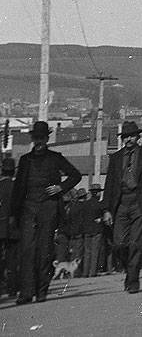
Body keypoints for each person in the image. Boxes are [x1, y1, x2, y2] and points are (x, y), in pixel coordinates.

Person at [11, 121, 81, 304]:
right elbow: (18, 188)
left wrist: (60, 187)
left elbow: (76, 175)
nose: (39, 141)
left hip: (48, 209)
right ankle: (26, 293)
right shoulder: (25, 160)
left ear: (47, 138)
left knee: (44, 251)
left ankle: (42, 291)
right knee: (27, 252)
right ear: (33, 139)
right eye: (36, 138)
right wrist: (13, 213)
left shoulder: (55, 157)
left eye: (42, 137)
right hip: (28, 209)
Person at [104, 121, 142, 294]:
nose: (129, 139)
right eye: (125, 136)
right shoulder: (116, 158)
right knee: (119, 243)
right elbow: (109, 183)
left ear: (138, 137)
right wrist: (107, 210)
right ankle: (129, 271)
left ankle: (133, 281)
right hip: (120, 203)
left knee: (135, 244)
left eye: (132, 136)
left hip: (138, 203)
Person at [0, 158, 20, 298]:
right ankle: (12, 289)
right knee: (12, 260)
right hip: (14, 228)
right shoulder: (18, 188)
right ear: (14, 171)